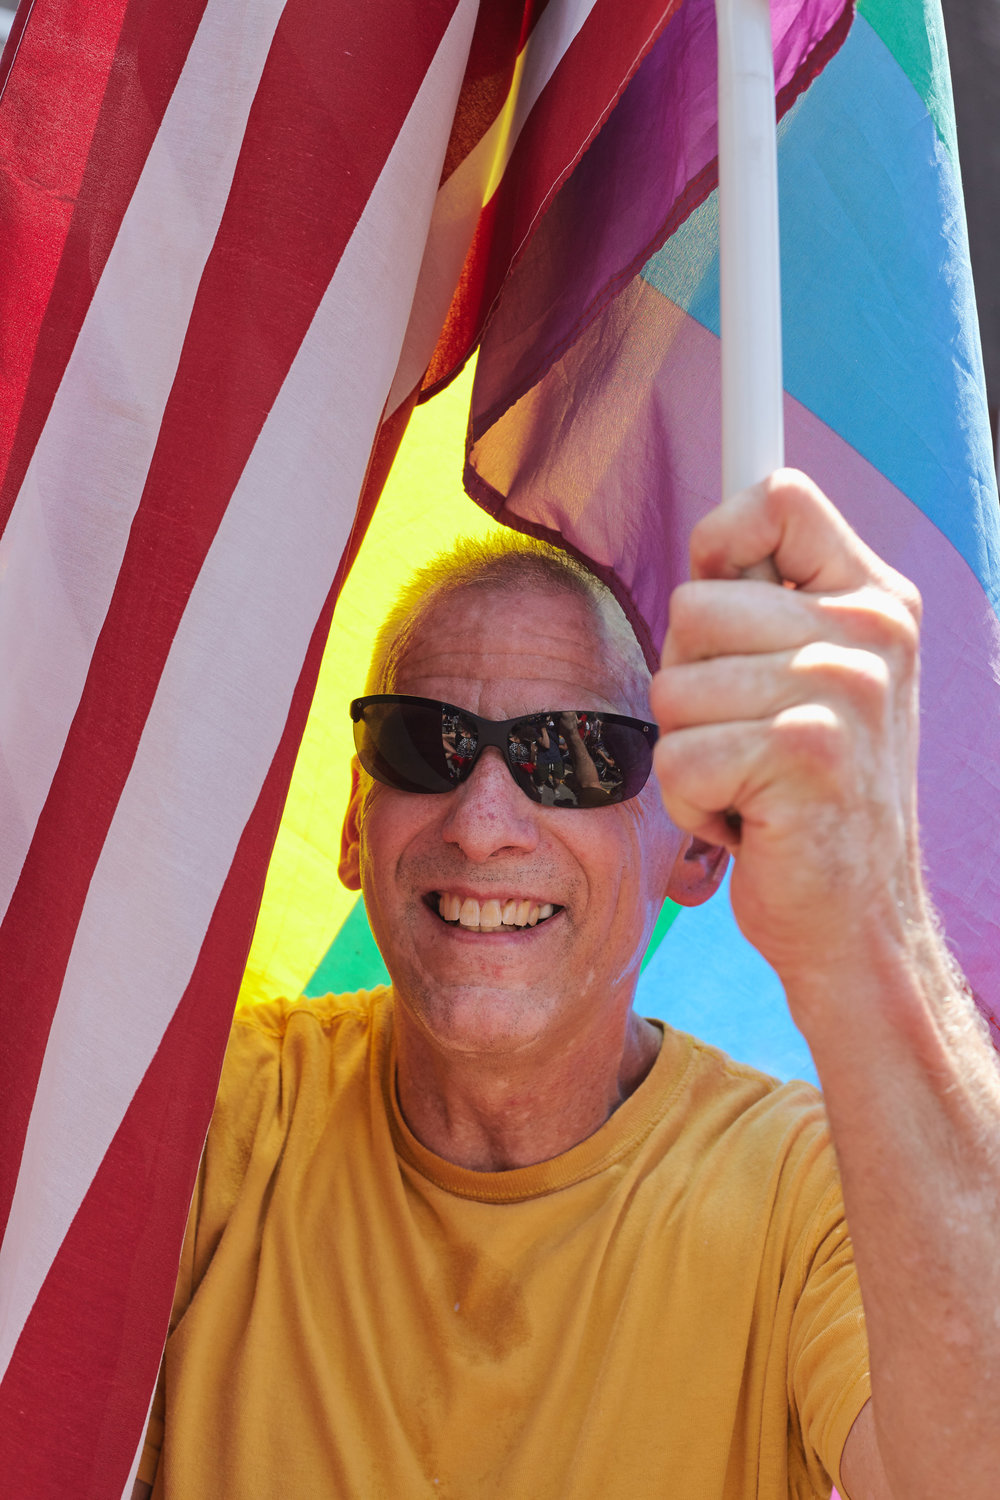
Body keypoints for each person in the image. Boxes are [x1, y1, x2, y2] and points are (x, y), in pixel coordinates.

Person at [134, 472, 1000, 1499]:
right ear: (354, 823)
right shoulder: (208, 1109)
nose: (482, 820)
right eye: (427, 742)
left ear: (696, 854)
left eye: (575, 755)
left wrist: (868, 926)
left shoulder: (809, 1195)